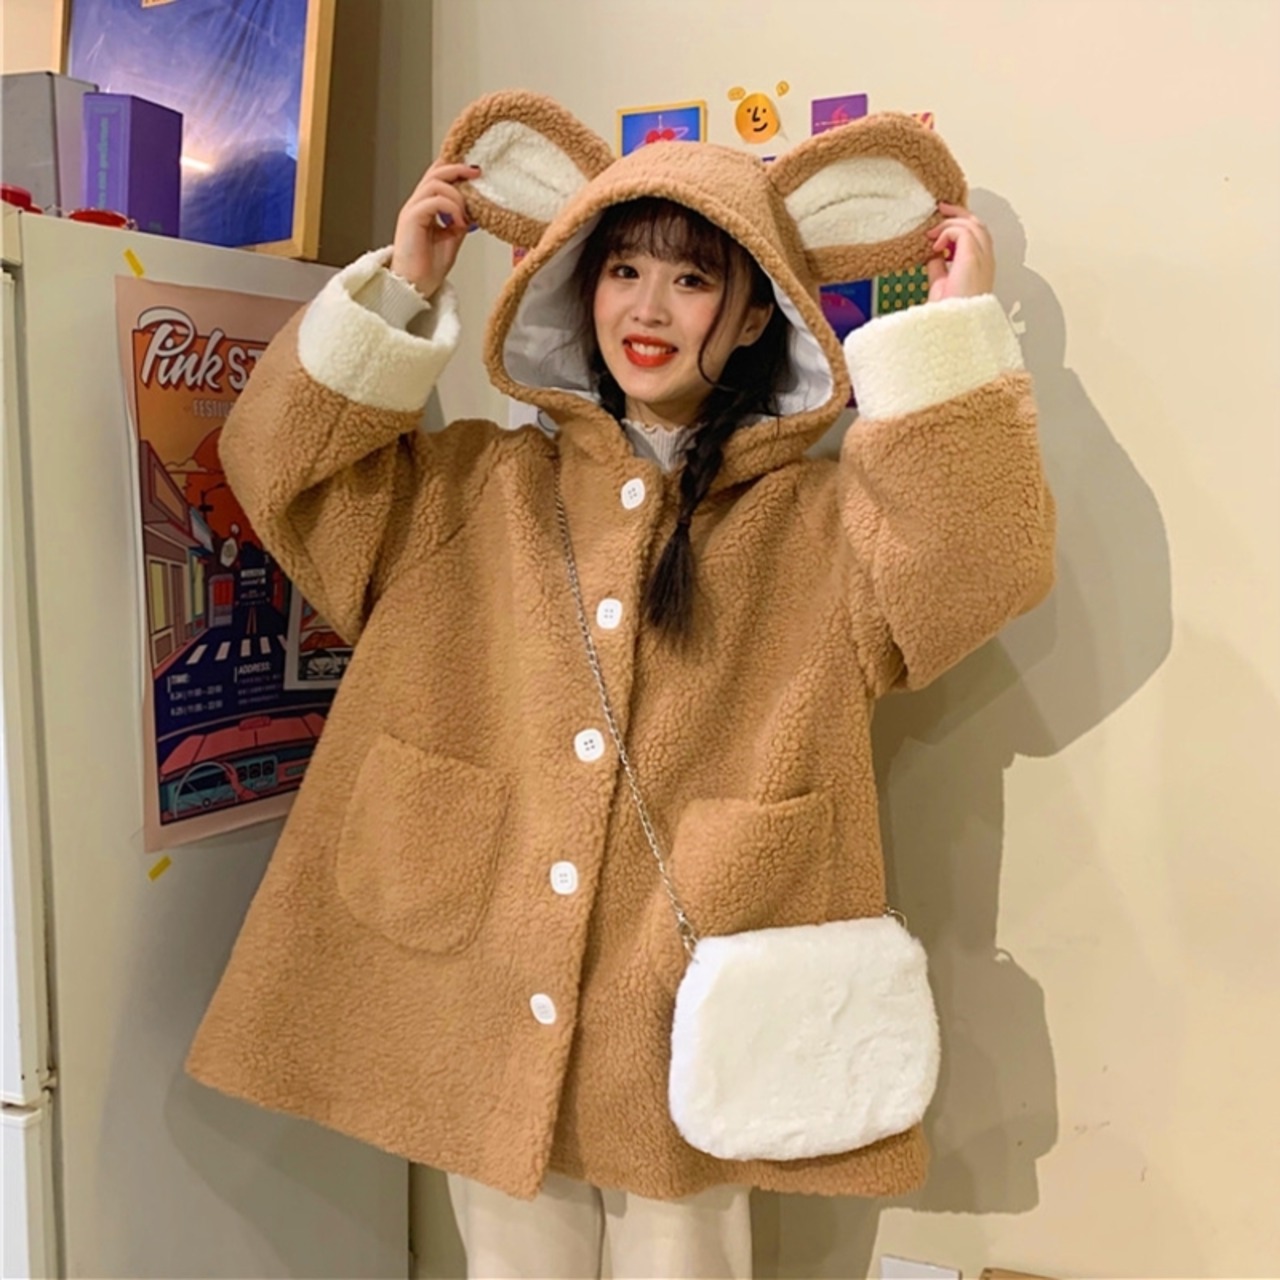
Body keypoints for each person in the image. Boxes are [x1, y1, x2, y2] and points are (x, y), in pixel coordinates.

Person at [186, 92, 1055, 1279]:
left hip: (691, 972)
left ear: (753, 316)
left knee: (684, 1249)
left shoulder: (818, 521)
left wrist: (948, 337)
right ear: (574, 286)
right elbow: (279, 466)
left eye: (692, 280)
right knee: (510, 1252)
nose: (646, 308)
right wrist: (402, 285)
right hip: (486, 965)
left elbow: (975, 567)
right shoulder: (471, 488)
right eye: (622, 269)